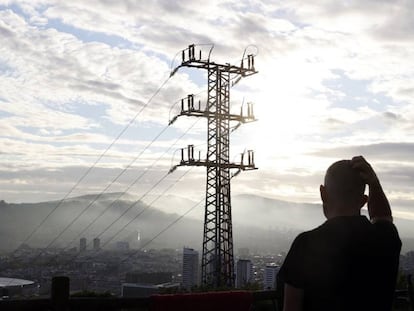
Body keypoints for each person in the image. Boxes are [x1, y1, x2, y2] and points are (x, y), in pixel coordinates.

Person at [277, 156, 402, 311]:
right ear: (364, 201)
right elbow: (383, 216)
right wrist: (374, 183)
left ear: (323, 193)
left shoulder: (306, 245)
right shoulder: (386, 239)